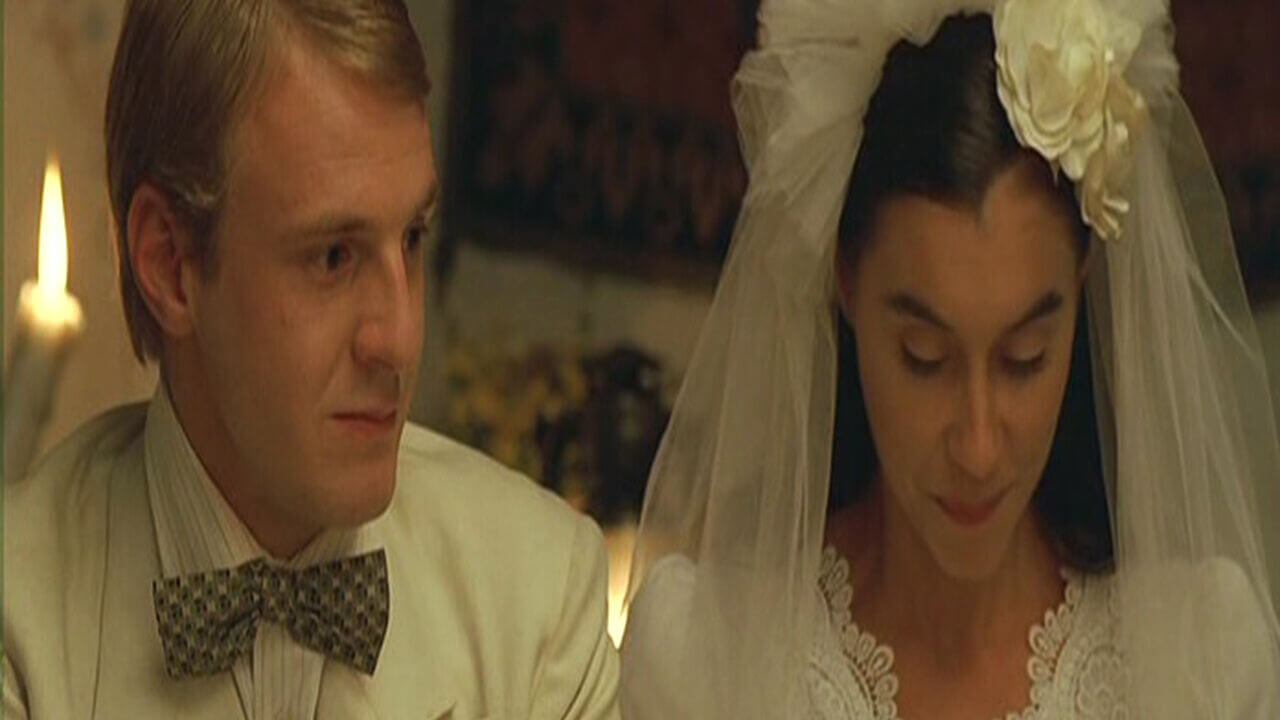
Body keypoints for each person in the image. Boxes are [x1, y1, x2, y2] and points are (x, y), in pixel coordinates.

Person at [619, 0, 1280, 718]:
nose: (978, 447)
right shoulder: (705, 660)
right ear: (846, 284)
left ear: (1082, 289)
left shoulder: (1202, 658)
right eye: (924, 358)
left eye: (1025, 359)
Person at [3, 1, 620, 718]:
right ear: (170, 265)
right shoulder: (20, 622)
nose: (399, 339)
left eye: (412, 238)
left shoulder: (539, 603)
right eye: (333, 256)